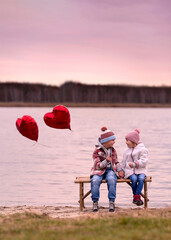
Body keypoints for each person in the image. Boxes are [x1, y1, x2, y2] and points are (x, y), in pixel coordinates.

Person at [90, 127, 124, 212]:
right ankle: (95, 202)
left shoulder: (113, 151)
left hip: (110, 170)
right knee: (95, 180)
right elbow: (97, 165)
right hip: (98, 171)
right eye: (112, 140)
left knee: (112, 179)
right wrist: (106, 161)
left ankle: (112, 202)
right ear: (106, 141)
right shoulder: (97, 151)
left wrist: (120, 170)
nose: (114, 142)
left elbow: (116, 162)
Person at [121, 129, 148, 206]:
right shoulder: (126, 151)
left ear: (134, 141)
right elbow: (123, 162)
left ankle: (136, 196)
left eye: (127, 140)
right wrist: (121, 171)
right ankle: (136, 197)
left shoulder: (143, 149)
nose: (126, 142)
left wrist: (135, 164)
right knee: (134, 179)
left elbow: (144, 161)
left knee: (141, 178)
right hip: (129, 171)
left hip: (141, 170)